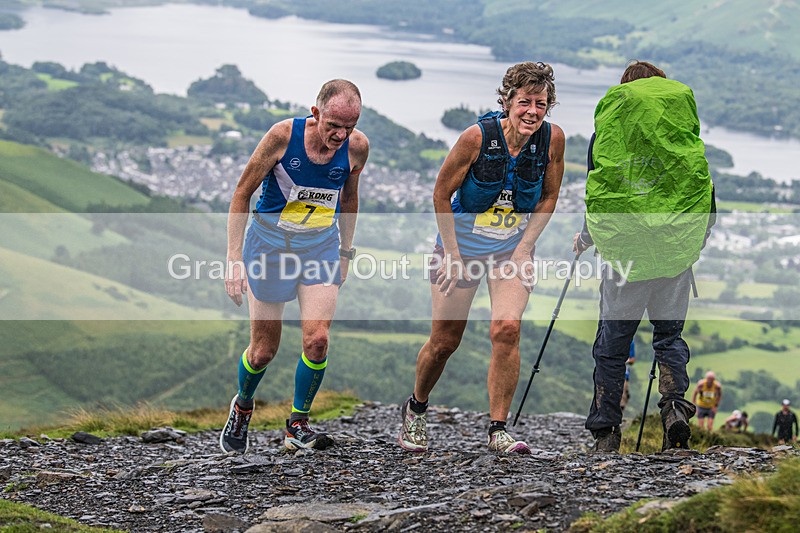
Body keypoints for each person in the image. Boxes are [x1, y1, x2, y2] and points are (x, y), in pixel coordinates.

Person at [398, 62, 565, 454]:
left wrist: (525, 249)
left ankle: (498, 429)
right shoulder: (476, 137)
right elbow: (441, 194)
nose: (533, 112)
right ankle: (416, 408)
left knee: (507, 329)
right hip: (463, 249)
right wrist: (452, 255)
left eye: (541, 104)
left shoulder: (552, 140)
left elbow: (549, 197)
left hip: (510, 249)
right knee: (444, 342)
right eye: (525, 102)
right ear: (507, 101)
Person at [220, 79, 369, 454]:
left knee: (317, 339)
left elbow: (350, 198)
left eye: (348, 127)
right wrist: (234, 259)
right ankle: (242, 405)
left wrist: (346, 251)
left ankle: (297, 424)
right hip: (269, 247)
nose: (340, 134)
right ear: (315, 113)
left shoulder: (356, 148)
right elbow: (242, 192)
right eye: (333, 124)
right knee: (263, 351)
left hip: (319, 247)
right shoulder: (283, 137)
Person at [574, 61, 716, 453]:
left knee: (613, 344)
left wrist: (587, 237)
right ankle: (673, 411)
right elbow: (704, 193)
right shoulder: (679, 134)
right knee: (669, 337)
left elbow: (599, 193)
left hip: (625, 258)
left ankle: (606, 432)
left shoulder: (609, 135)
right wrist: (692, 241)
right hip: (674, 256)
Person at [620, 341, 636, 411]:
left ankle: (618, 418)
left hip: (624, 374)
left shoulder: (630, 342)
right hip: (611, 373)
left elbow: (632, 359)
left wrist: (624, 361)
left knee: (623, 396)